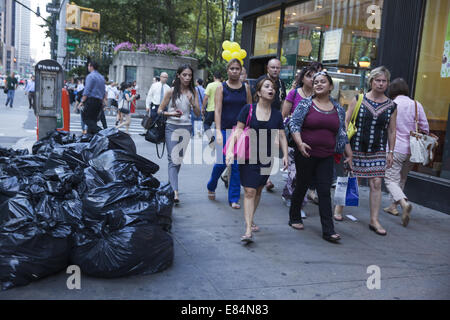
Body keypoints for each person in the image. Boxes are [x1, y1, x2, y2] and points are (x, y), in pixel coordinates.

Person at [288, 71, 353, 243]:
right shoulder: (305, 104)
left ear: (331, 86)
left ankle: (328, 230)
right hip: (306, 153)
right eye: (315, 82)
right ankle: (294, 216)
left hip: (327, 156)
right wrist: (300, 143)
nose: (318, 84)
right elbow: (294, 124)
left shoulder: (338, 108)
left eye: (322, 82)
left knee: (324, 191)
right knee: (302, 185)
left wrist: (349, 153)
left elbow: (342, 132)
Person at [226, 77, 288, 243]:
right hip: (248, 156)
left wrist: (286, 156)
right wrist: (230, 151)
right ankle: (247, 230)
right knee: (249, 191)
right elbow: (238, 131)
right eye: (267, 86)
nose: (271, 89)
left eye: (273, 87)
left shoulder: (276, 115)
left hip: (267, 157)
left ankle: (250, 218)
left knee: (259, 190)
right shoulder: (248, 109)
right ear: (259, 92)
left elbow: (281, 135)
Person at [343, 66, 397, 236]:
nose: (381, 84)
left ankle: (374, 220)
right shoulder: (359, 99)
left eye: (384, 81)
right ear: (371, 81)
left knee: (377, 183)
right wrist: (346, 145)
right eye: (377, 80)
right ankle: (338, 208)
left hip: (378, 149)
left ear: (387, 84)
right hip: (356, 146)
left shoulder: (391, 106)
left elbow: (392, 130)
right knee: (353, 179)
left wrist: (391, 152)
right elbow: (346, 121)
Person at [207, 59, 252, 209]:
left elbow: (249, 110)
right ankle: (211, 184)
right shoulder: (221, 87)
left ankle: (233, 198)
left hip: (240, 131)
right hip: (225, 129)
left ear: (241, 71)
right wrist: (218, 131)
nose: (234, 71)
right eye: (231, 68)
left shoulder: (246, 88)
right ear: (227, 70)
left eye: (237, 69)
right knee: (221, 162)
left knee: (237, 166)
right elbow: (218, 110)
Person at [384, 78, 429, 227]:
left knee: (390, 179)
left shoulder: (391, 104)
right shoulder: (416, 105)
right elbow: (425, 128)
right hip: (412, 150)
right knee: (402, 178)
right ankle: (393, 207)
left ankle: (403, 204)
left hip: (395, 148)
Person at [158, 65, 201, 204]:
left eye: (189, 75)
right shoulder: (171, 91)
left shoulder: (193, 91)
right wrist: (171, 113)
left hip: (186, 128)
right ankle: (174, 191)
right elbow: (159, 111)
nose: (187, 78)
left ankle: (172, 185)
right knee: (173, 159)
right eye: (184, 75)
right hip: (171, 127)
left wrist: (193, 102)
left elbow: (198, 113)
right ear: (178, 75)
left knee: (178, 160)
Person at [281, 65, 318, 209]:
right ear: (302, 78)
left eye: (315, 77)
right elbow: (284, 116)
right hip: (293, 140)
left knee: (304, 174)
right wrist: (280, 136)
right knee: (294, 172)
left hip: (311, 139)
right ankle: (296, 202)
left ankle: (290, 195)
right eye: (309, 76)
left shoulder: (318, 95)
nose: (312, 79)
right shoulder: (294, 94)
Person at [256, 58, 287, 191]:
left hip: (274, 119)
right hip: (260, 118)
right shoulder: (261, 81)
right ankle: (263, 178)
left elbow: (283, 102)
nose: (275, 70)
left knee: (272, 150)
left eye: (277, 68)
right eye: (272, 67)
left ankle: (266, 177)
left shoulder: (281, 83)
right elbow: (254, 100)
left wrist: (281, 118)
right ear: (268, 69)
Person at [78, 61, 107, 134]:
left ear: (91, 67)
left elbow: (87, 90)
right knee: (93, 120)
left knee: (86, 119)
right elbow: (103, 91)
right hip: (99, 102)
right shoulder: (101, 77)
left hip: (91, 101)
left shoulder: (90, 76)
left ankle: (102, 132)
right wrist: (103, 102)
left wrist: (82, 101)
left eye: (88, 66)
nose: (88, 67)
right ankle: (90, 137)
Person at [202, 71, 222, 146]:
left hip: (210, 109)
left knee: (206, 124)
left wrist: (203, 108)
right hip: (220, 110)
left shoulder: (210, 85)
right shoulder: (223, 85)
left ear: (214, 77)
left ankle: (211, 137)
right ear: (221, 78)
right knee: (218, 126)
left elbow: (205, 98)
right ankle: (219, 140)